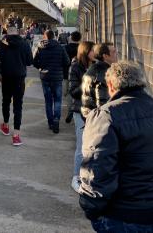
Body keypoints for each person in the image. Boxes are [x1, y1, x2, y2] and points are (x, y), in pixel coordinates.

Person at [79, 61, 153, 232]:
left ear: (110, 85)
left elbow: (98, 168)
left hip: (125, 214)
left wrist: (90, 207)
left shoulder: (106, 115)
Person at [0, 26, 33, 146]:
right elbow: (30, 61)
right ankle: (16, 135)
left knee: (5, 102)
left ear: (7, 33)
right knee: (18, 105)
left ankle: (5, 126)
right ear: (17, 33)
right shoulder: (25, 44)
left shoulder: (1, 44)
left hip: (6, 78)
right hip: (19, 79)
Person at [67, 40, 95, 193]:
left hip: (95, 110)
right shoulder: (76, 66)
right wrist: (88, 82)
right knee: (81, 145)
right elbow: (73, 91)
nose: (95, 53)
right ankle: (76, 177)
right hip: (80, 110)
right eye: (92, 50)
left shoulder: (97, 65)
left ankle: (89, 175)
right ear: (85, 51)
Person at [33, 30, 70, 133]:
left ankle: (50, 123)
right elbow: (67, 62)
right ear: (54, 36)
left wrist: (41, 67)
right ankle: (56, 120)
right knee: (58, 100)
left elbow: (34, 61)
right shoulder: (60, 47)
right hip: (57, 77)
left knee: (48, 101)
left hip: (45, 77)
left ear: (45, 36)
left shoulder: (40, 47)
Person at [81, 43, 118, 119]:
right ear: (105, 56)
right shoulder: (103, 73)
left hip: (90, 114)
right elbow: (102, 103)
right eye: (113, 52)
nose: (116, 53)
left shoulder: (94, 68)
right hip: (98, 118)